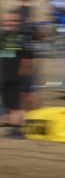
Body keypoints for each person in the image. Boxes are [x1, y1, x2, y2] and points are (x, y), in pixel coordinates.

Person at [0, 10, 32, 138]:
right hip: (8, 78)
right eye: (7, 20)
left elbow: (25, 61)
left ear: (18, 22)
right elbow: (6, 58)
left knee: (15, 107)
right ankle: (16, 129)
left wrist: (25, 83)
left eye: (13, 21)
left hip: (13, 78)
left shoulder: (18, 38)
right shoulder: (10, 37)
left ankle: (17, 132)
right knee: (13, 106)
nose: (10, 23)